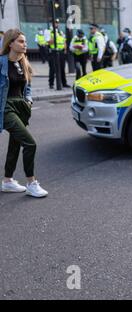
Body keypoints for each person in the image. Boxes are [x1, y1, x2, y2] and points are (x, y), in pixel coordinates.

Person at [0, 29, 48, 198]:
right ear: (10, 43)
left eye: (25, 42)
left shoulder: (24, 62)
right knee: (30, 143)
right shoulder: (1, 62)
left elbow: (27, 88)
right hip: (5, 108)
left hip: (21, 106)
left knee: (15, 144)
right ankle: (31, 183)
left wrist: (29, 100)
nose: (25, 44)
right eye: (20, 41)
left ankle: (7, 181)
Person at [45, 19, 70, 89]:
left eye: (57, 23)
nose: (56, 24)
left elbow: (64, 41)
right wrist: (54, 36)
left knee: (62, 68)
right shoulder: (48, 31)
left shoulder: (60, 31)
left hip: (61, 52)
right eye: (55, 22)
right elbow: (49, 42)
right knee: (52, 68)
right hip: (53, 52)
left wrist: (65, 49)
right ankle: (51, 83)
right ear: (51, 23)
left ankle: (64, 83)